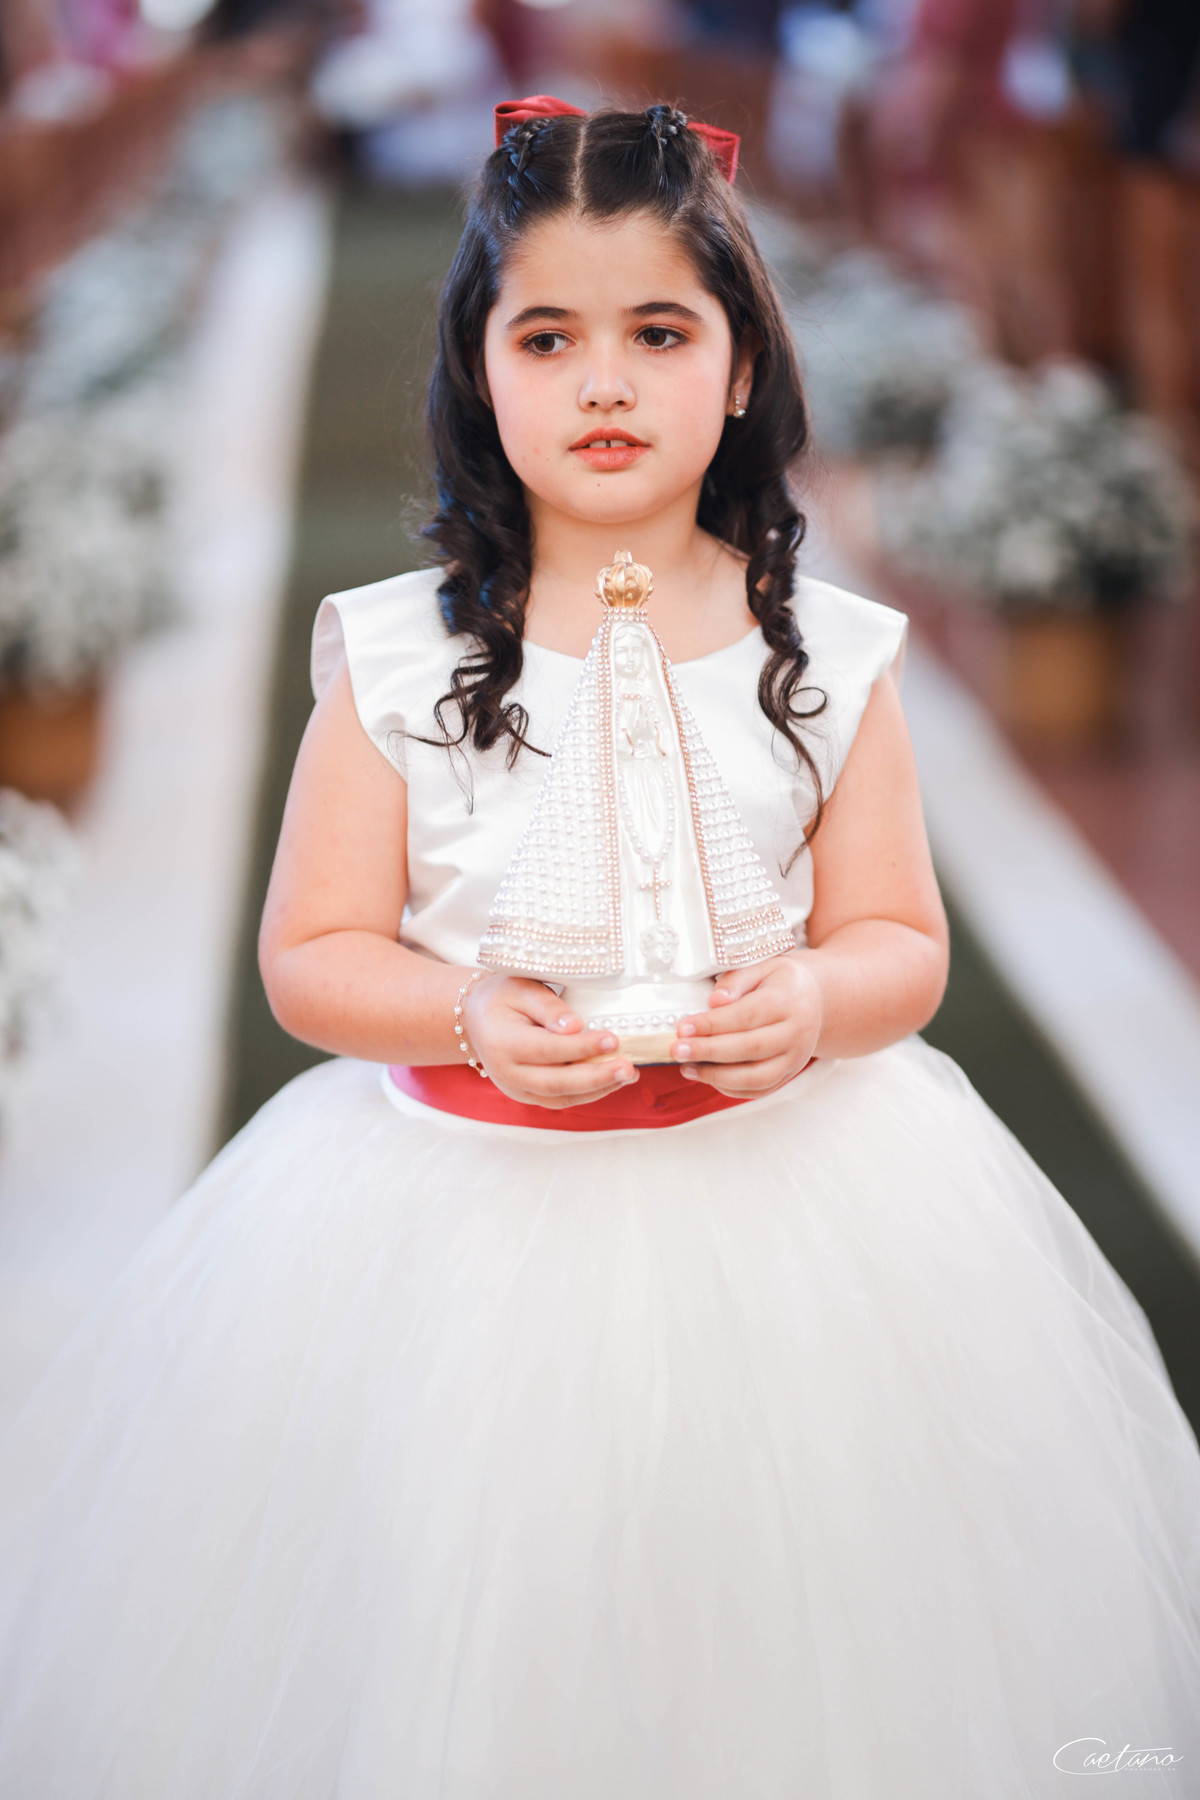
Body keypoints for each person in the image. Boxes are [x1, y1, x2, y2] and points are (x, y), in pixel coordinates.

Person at [1, 94, 1199, 1799]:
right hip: (465, 1218)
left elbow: (901, 938)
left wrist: (820, 993)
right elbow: (313, 955)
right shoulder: (399, 659)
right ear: (478, 371)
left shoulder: (826, 654)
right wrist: (466, 1008)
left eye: (660, 332)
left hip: (800, 1204)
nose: (606, 383)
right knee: (494, 1613)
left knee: (795, 1618)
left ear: (741, 363)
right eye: (548, 337)